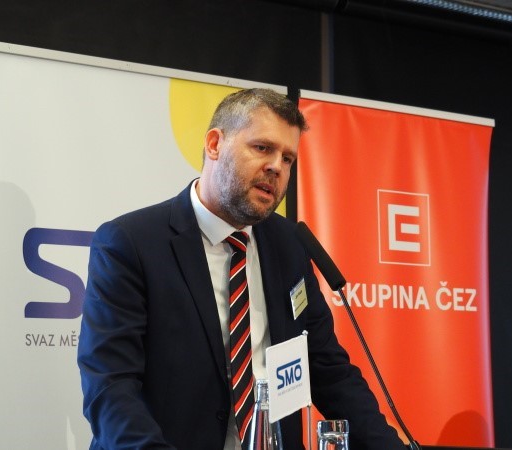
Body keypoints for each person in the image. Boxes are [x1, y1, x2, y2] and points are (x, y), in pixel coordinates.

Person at [78, 88, 407, 450]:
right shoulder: (131, 243)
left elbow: (328, 371)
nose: (276, 167)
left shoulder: (290, 245)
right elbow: (111, 387)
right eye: (262, 148)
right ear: (214, 144)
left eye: (287, 158)